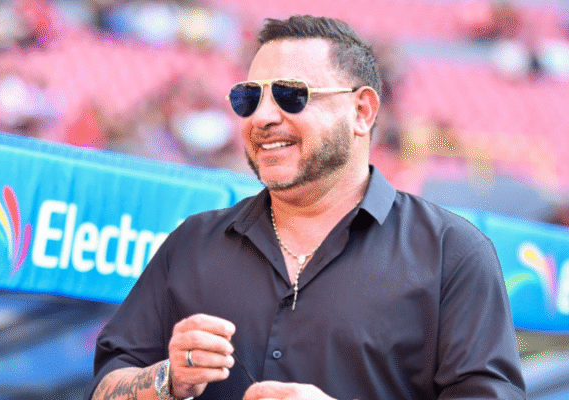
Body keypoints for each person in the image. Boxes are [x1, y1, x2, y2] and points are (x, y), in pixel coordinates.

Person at [85, 15, 526, 400]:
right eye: (248, 98)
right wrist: (166, 380)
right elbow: (105, 385)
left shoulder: (452, 254)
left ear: (362, 111)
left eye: (291, 95)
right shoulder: (193, 242)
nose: (262, 117)